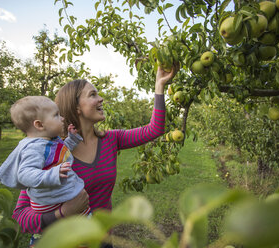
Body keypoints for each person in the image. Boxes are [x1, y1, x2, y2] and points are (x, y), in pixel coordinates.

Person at [11, 66, 177, 247]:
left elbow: (155, 129)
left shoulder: (111, 139)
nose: (101, 99)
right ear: (77, 108)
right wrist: (62, 213)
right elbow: (21, 214)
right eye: (92, 95)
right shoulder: (51, 150)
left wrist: (159, 86)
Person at [0, 96, 91, 222]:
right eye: (56, 115)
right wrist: (53, 174)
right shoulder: (33, 148)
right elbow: (25, 174)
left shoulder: (48, 140)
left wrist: (71, 139)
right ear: (39, 124)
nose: (62, 118)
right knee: (80, 225)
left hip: (58, 196)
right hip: (52, 201)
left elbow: (59, 153)